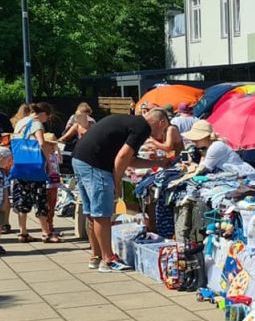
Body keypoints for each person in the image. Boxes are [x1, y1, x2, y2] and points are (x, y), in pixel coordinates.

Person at [72, 110, 169, 272]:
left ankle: (96, 256)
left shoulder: (131, 122)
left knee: (92, 213)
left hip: (80, 158)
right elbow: (122, 158)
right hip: (96, 164)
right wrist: (117, 184)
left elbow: (130, 160)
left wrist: (160, 163)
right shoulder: (142, 128)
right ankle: (108, 259)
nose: (162, 134)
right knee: (102, 214)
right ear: (161, 123)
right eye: (164, 130)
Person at [10, 102, 55, 243]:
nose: (46, 120)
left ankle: (22, 232)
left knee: (22, 198)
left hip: (20, 165)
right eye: (47, 117)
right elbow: (41, 143)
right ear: (42, 114)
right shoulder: (36, 124)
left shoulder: (20, 122)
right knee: (40, 198)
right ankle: (45, 232)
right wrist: (48, 161)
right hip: (34, 166)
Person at [181, 120, 255, 176]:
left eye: (196, 139)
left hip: (244, 175)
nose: (193, 140)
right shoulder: (211, 146)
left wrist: (190, 163)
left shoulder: (215, 147)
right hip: (238, 175)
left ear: (206, 137)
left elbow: (202, 169)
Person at [42, 133, 63, 241]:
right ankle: (47, 227)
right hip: (47, 184)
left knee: (53, 204)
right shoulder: (43, 156)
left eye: (53, 145)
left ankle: (51, 224)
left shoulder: (54, 155)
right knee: (47, 205)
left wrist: (57, 149)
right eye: (49, 144)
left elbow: (61, 160)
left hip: (54, 183)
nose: (52, 147)